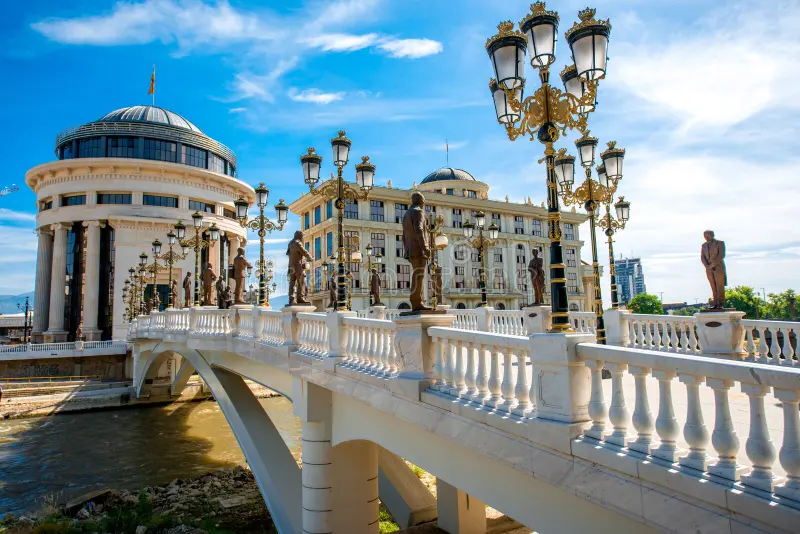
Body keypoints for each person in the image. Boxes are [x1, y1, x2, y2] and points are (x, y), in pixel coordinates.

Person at [402, 192, 431, 312]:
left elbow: (404, 236)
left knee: (416, 274)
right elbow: (418, 229)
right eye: (424, 203)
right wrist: (425, 247)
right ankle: (417, 302)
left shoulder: (406, 214)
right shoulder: (418, 211)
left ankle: (417, 301)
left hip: (410, 249)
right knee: (419, 275)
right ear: (421, 202)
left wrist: (407, 250)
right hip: (418, 249)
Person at [701, 230, 727, 309]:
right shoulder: (704, 245)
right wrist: (707, 266)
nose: (706, 238)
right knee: (713, 286)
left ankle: (721, 303)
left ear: (712, 235)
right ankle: (715, 302)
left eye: (708, 236)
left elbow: (721, 255)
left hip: (718, 267)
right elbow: (702, 257)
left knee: (720, 285)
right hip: (708, 268)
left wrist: (712, 265)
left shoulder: (720, 243)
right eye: (705, 236)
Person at [286, 231, 312, 305]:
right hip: (297, 265)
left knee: (292, 283)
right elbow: (304, 251)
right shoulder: (297, 243)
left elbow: (288, 253)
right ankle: (300, 298)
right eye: (302, 236)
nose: (302, 238)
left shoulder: (290, 243)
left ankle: (291, 299)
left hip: (291, 266)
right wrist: (310, 257)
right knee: (302, 281)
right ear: (299, 236)